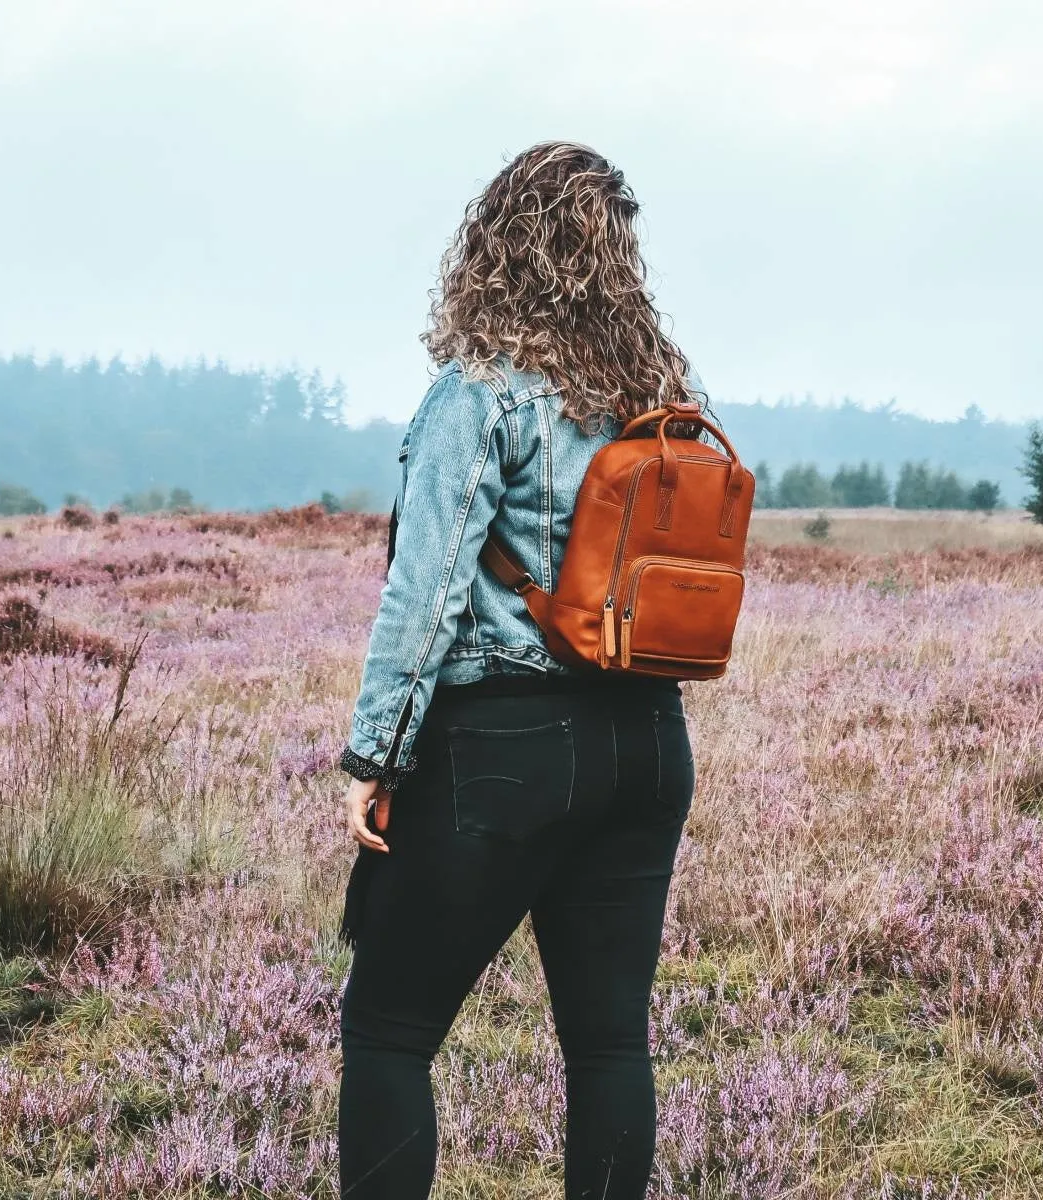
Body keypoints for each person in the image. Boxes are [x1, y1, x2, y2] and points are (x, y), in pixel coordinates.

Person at [335, 140, 710, 1199]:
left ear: (494, 246)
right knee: (608, 1046)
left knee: (391, 1033)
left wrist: (375, 752)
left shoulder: (479, 394)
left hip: (506, 748)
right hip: (648, 741)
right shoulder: (667, 396)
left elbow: (428, 589)